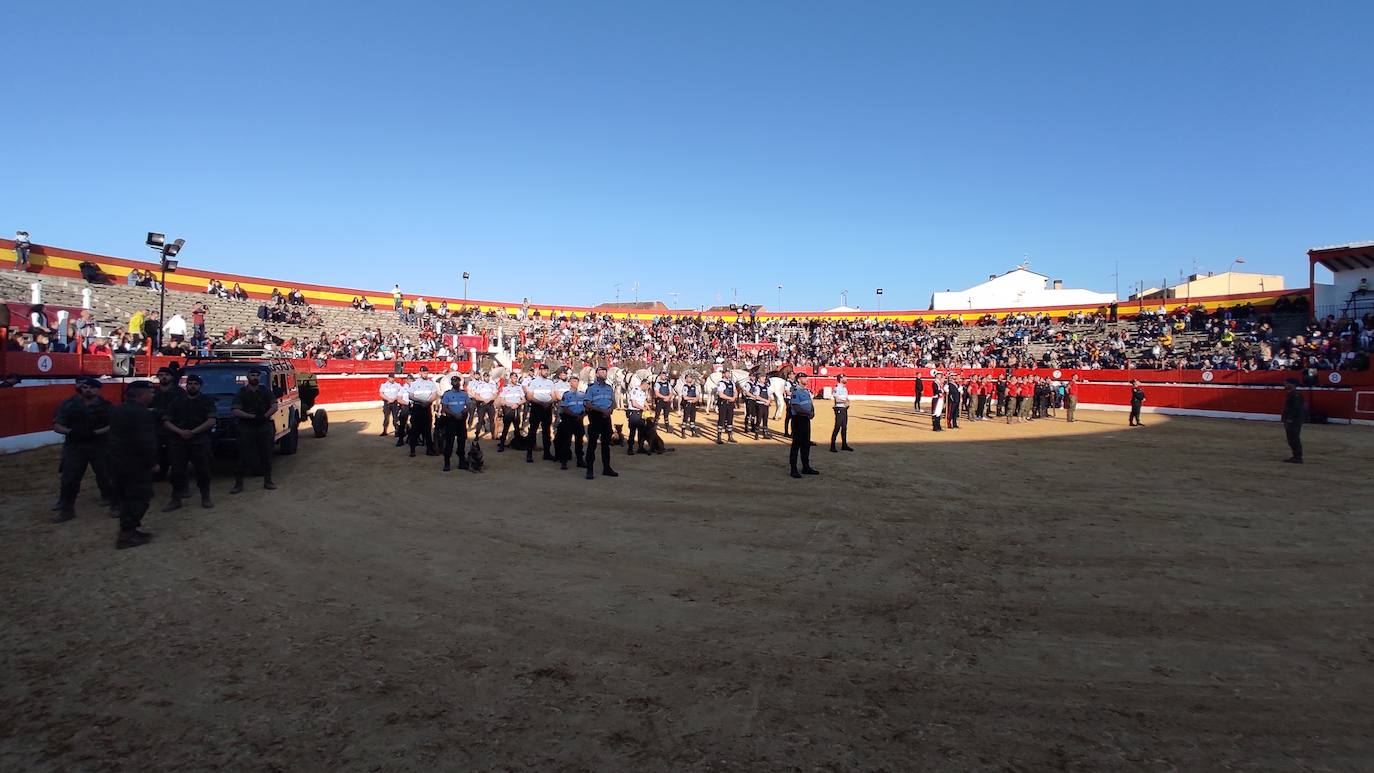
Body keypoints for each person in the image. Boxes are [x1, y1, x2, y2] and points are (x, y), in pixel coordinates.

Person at [51, 377, 115, 523]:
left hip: (99, 444)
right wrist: (72, 432)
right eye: (85, 387)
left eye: (92, 388)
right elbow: (57, 425)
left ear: (98, 390)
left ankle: (109, 498)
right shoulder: (69, 404)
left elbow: (114, 424)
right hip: (75, 445)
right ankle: (66, 507)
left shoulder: (106, 406)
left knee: (105, 473)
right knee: (70, 477)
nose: (88, 390)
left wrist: (95, 433)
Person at [109, 380, 159, 550]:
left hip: (118, 461)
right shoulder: (142, 413)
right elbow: (145, 442)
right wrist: (151, 462)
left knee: (126, 497)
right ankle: (127, 535)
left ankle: (130, 530)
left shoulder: (118, 409)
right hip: (136, 463)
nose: (152, 396)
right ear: (141, 394)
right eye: (150, 393)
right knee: (140, 498)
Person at [162, 373, 217, 510]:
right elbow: (166, 421)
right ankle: (176, 500)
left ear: (200, 386)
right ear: (186, 385)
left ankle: (205, 498)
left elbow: (211, 420)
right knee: (176, 472)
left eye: (195, 384)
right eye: (190, 384)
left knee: (203, 472)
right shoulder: (177, 401)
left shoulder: (206, 401)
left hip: (199, 441)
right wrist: (180, 432)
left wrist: (193, 432)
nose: (192, 386)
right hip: (179, 441)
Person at [229, 369, 278, 493]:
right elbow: (235, 410)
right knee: (242, 456)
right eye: (252, 375)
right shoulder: (242, 392)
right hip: (247, 426)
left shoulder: (265, 391)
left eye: (257, 375)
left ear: (259, 377)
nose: (255, 377)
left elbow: (274, 406)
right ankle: (238, 484)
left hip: (263, 425)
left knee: (266, 454)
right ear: (248, 377)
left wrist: (264, 416)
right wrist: (253, 417)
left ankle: (268, 481)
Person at [582, 365, 619, 479]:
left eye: (605, 371)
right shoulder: (591, 388)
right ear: (597, 374)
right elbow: (587, 404)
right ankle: (589, 470)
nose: (604, 373)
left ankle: (606, 468)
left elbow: (614, 403)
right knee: (592, 444)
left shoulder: (609, 388)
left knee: (606, 445)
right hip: (596, 416)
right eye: (601, 371)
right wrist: (602, 410)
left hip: (607, 417)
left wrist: (610, 410)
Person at [150, 366, 187, 479]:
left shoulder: (179, 392)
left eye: (166, 375)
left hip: (174, 428)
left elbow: (181, 409)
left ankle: (180, 481)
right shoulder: (153, 392)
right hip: (156, 428)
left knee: (176, 456)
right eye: (161, 375)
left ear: (171, 377)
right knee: (156, 453)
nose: (164, 377)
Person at [524, 363, 557, 463]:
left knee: (546, 431)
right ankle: (529, 454)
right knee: (533, 430)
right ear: (540, 371)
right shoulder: (534, 382)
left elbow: (554, 396)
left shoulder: (550, 382)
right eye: (544, 370)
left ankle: (546, 453)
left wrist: (549, 402)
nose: (546, 372)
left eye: (547, 370)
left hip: (547, 408)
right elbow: (529, 396)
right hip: (536, 408)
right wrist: (540, 402)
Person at [787, 372, 818, 478]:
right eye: (804, 377)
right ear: (799, 380)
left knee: (805, 443)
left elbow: (810, 404)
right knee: (796, 444)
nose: (807, 379)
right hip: (798, 419)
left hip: (805, 419)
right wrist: (808, 413)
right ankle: (793, 469)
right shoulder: (796, 391)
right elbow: (796, 407)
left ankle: (806, 466)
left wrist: (812, 412)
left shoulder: (806, 391)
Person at [438, 375, 471, 472]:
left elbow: (469, 405)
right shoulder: (447, 394)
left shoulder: (464, 394)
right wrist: (454, 414)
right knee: (449, 442)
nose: (456, 383)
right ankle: (447, 463)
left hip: (461, 420)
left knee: (462, 441)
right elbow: (444, 408)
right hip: (451, 420)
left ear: (460, 382)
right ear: (451, 383)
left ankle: (461, 462)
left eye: (457, 381)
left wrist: (463, 412)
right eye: (454, 381)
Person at [554, 374, 587, 470]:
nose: (576, 383)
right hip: (569, 419)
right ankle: (564, 461)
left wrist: (582, 415)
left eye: (577, 381)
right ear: (570, 383)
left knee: (579, 441)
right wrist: (576, 416)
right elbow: (565, 408)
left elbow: (586, 407)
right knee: (566, 441)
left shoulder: (582, 394)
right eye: (573, 381)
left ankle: (580, 460)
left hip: (579, 419)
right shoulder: (566, 394)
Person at [407, 367, 440, 457]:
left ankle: (429, 449)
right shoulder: (414, 384)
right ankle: (412, 450)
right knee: (415, 429)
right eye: (424, 373)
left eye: (427, 372)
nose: (426, 374)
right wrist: (422, 401)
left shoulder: (431, 383)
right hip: (417, 407)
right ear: (420, 373)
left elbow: (434, 395)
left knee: (427, 429)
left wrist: (428, 402)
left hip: (427, 408)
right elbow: (410, 396)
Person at [496, 373, 526, 452]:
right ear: (510, 379)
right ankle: (501, 445)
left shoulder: (519, 387)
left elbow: (524, 399)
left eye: (516, 378)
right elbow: (502, 400)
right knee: (505, 428)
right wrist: (509, 404)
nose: (515, 380)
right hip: (508, 410)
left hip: (516, 410)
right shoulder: (505, 388)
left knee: (517, 429)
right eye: (513, 378)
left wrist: (517, 404)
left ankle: (518, 444)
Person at [467, 370, 497, 441]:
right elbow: (476, 396)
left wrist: (488, 400)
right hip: (482, 404)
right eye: (485, 376)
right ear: (483, 377)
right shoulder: (479, 385)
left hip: (490, 404)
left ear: (489, 377)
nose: (486, 378)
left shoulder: (492, 385)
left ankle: (493, 435)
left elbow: (495, 395)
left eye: (487, 376)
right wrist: (484, 400)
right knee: (480, 420)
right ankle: (477, 434)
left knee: (491, 420)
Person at [1282, 379, 1305, 463]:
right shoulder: (1294, 394)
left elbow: (1296, 409)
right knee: (1292, 438)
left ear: (1293, 384)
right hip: (1293, 420)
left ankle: (1298, 457)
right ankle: (1296, 456)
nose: (1285, 385)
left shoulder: (1295, 395)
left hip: (1294, 420)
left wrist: (1290, 419)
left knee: (1294, 438)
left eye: (1287, 383)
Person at [625, 377, 649, 454]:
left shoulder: (643, 391)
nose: (648, 388)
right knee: (632, 431)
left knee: (641, 431)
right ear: (644, 384)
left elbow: (643, 400)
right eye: (648, 386)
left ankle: (640, 447)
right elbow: (634, 403)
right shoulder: (635, 390)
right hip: (634, 413)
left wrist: (648, 407)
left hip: (641, 413)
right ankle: (630, 449)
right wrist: (643, 408)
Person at [830, 373, 853, 452]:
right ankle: (832, 446)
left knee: (844, 427)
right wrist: (845, 401)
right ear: (841, 379)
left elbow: (845, 398)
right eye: (845, 378)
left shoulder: (844, 388)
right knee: (837, 426)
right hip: (839, 408)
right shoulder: (837, 388)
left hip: (844, 408)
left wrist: (847, 402)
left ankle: (844, 444)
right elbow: (837, 399)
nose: (846, 379)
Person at [714, 372, 738, 444]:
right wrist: (730, 398)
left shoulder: (732, 382)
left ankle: (730, 437)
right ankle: (719, 437)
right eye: (727, 373)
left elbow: (735, 391)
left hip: (730, 403)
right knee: (721, 419)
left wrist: (734, 397)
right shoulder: (721, 383)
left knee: (730, 419)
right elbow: (721, 394)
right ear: (723, 374)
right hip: (723, 403)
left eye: (729, 373)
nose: (728, 375)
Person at [679, 371, 702, 437]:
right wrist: (693, 399)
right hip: (687, 404)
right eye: (689, 378)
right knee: (685, 418)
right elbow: (685, 397)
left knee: (693, 418)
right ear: (686, 379)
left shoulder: (694, 387)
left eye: (691, 378)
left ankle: (693, 432)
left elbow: (698, 395)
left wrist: (696, 399)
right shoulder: (685, 387)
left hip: (693, 404)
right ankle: (683, 432)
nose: (690, 379)